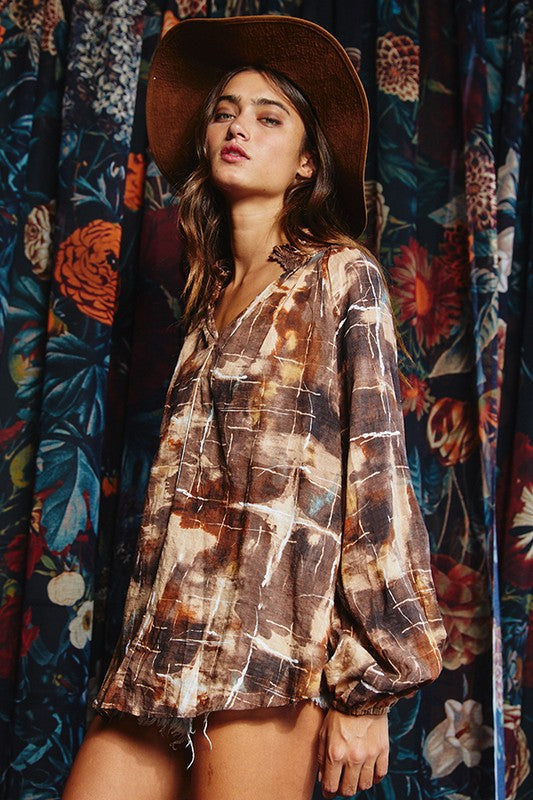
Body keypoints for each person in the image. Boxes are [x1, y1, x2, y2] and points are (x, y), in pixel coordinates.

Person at [62, 15, 446, 800]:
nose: (238, 127)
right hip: (162, 643)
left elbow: (377, 479)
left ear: (307, 162)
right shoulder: (206, 308)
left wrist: (368, 690)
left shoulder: (339, 277)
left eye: (268, 117)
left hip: (266, 648)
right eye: (225, 112)